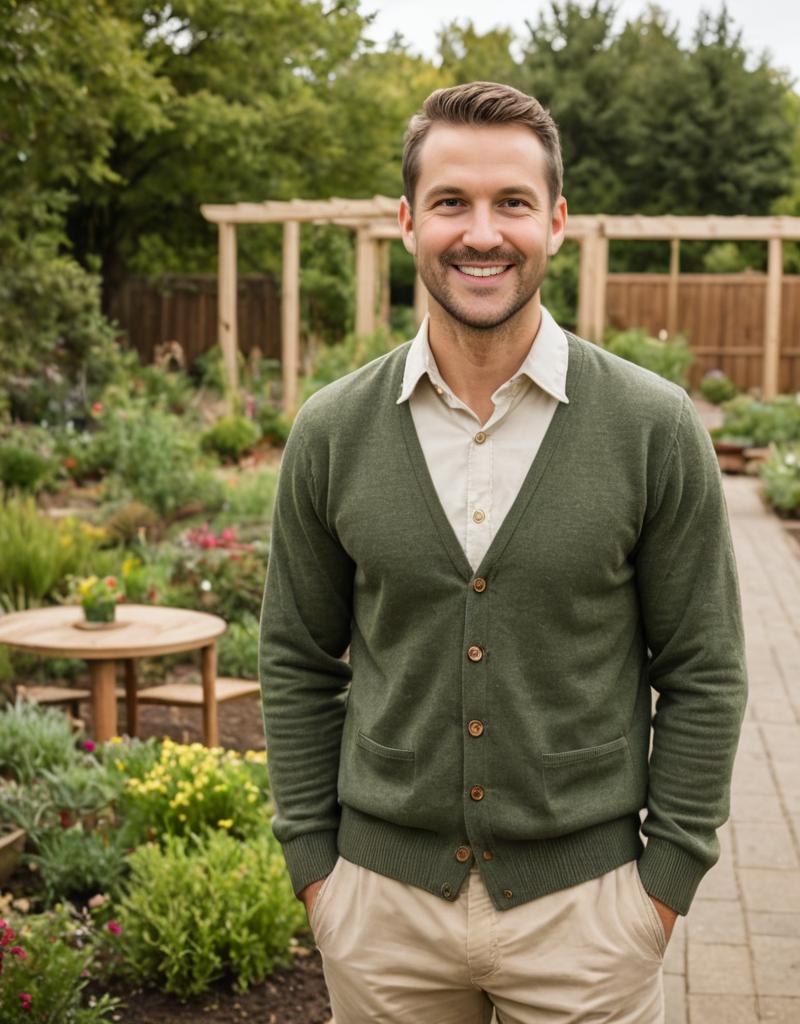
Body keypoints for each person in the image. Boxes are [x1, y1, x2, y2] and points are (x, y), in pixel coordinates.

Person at [258, 80, 747, 1024]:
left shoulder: (651, 427)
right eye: (451, 202)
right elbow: (293, 655)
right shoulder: (332, 432)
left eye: (511, 203)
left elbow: (706, 668)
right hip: (380, 914)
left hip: (589, 917)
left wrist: (663, 887)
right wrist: (316, 871)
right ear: (407, 220)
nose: (482, 232)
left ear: (557, 222)